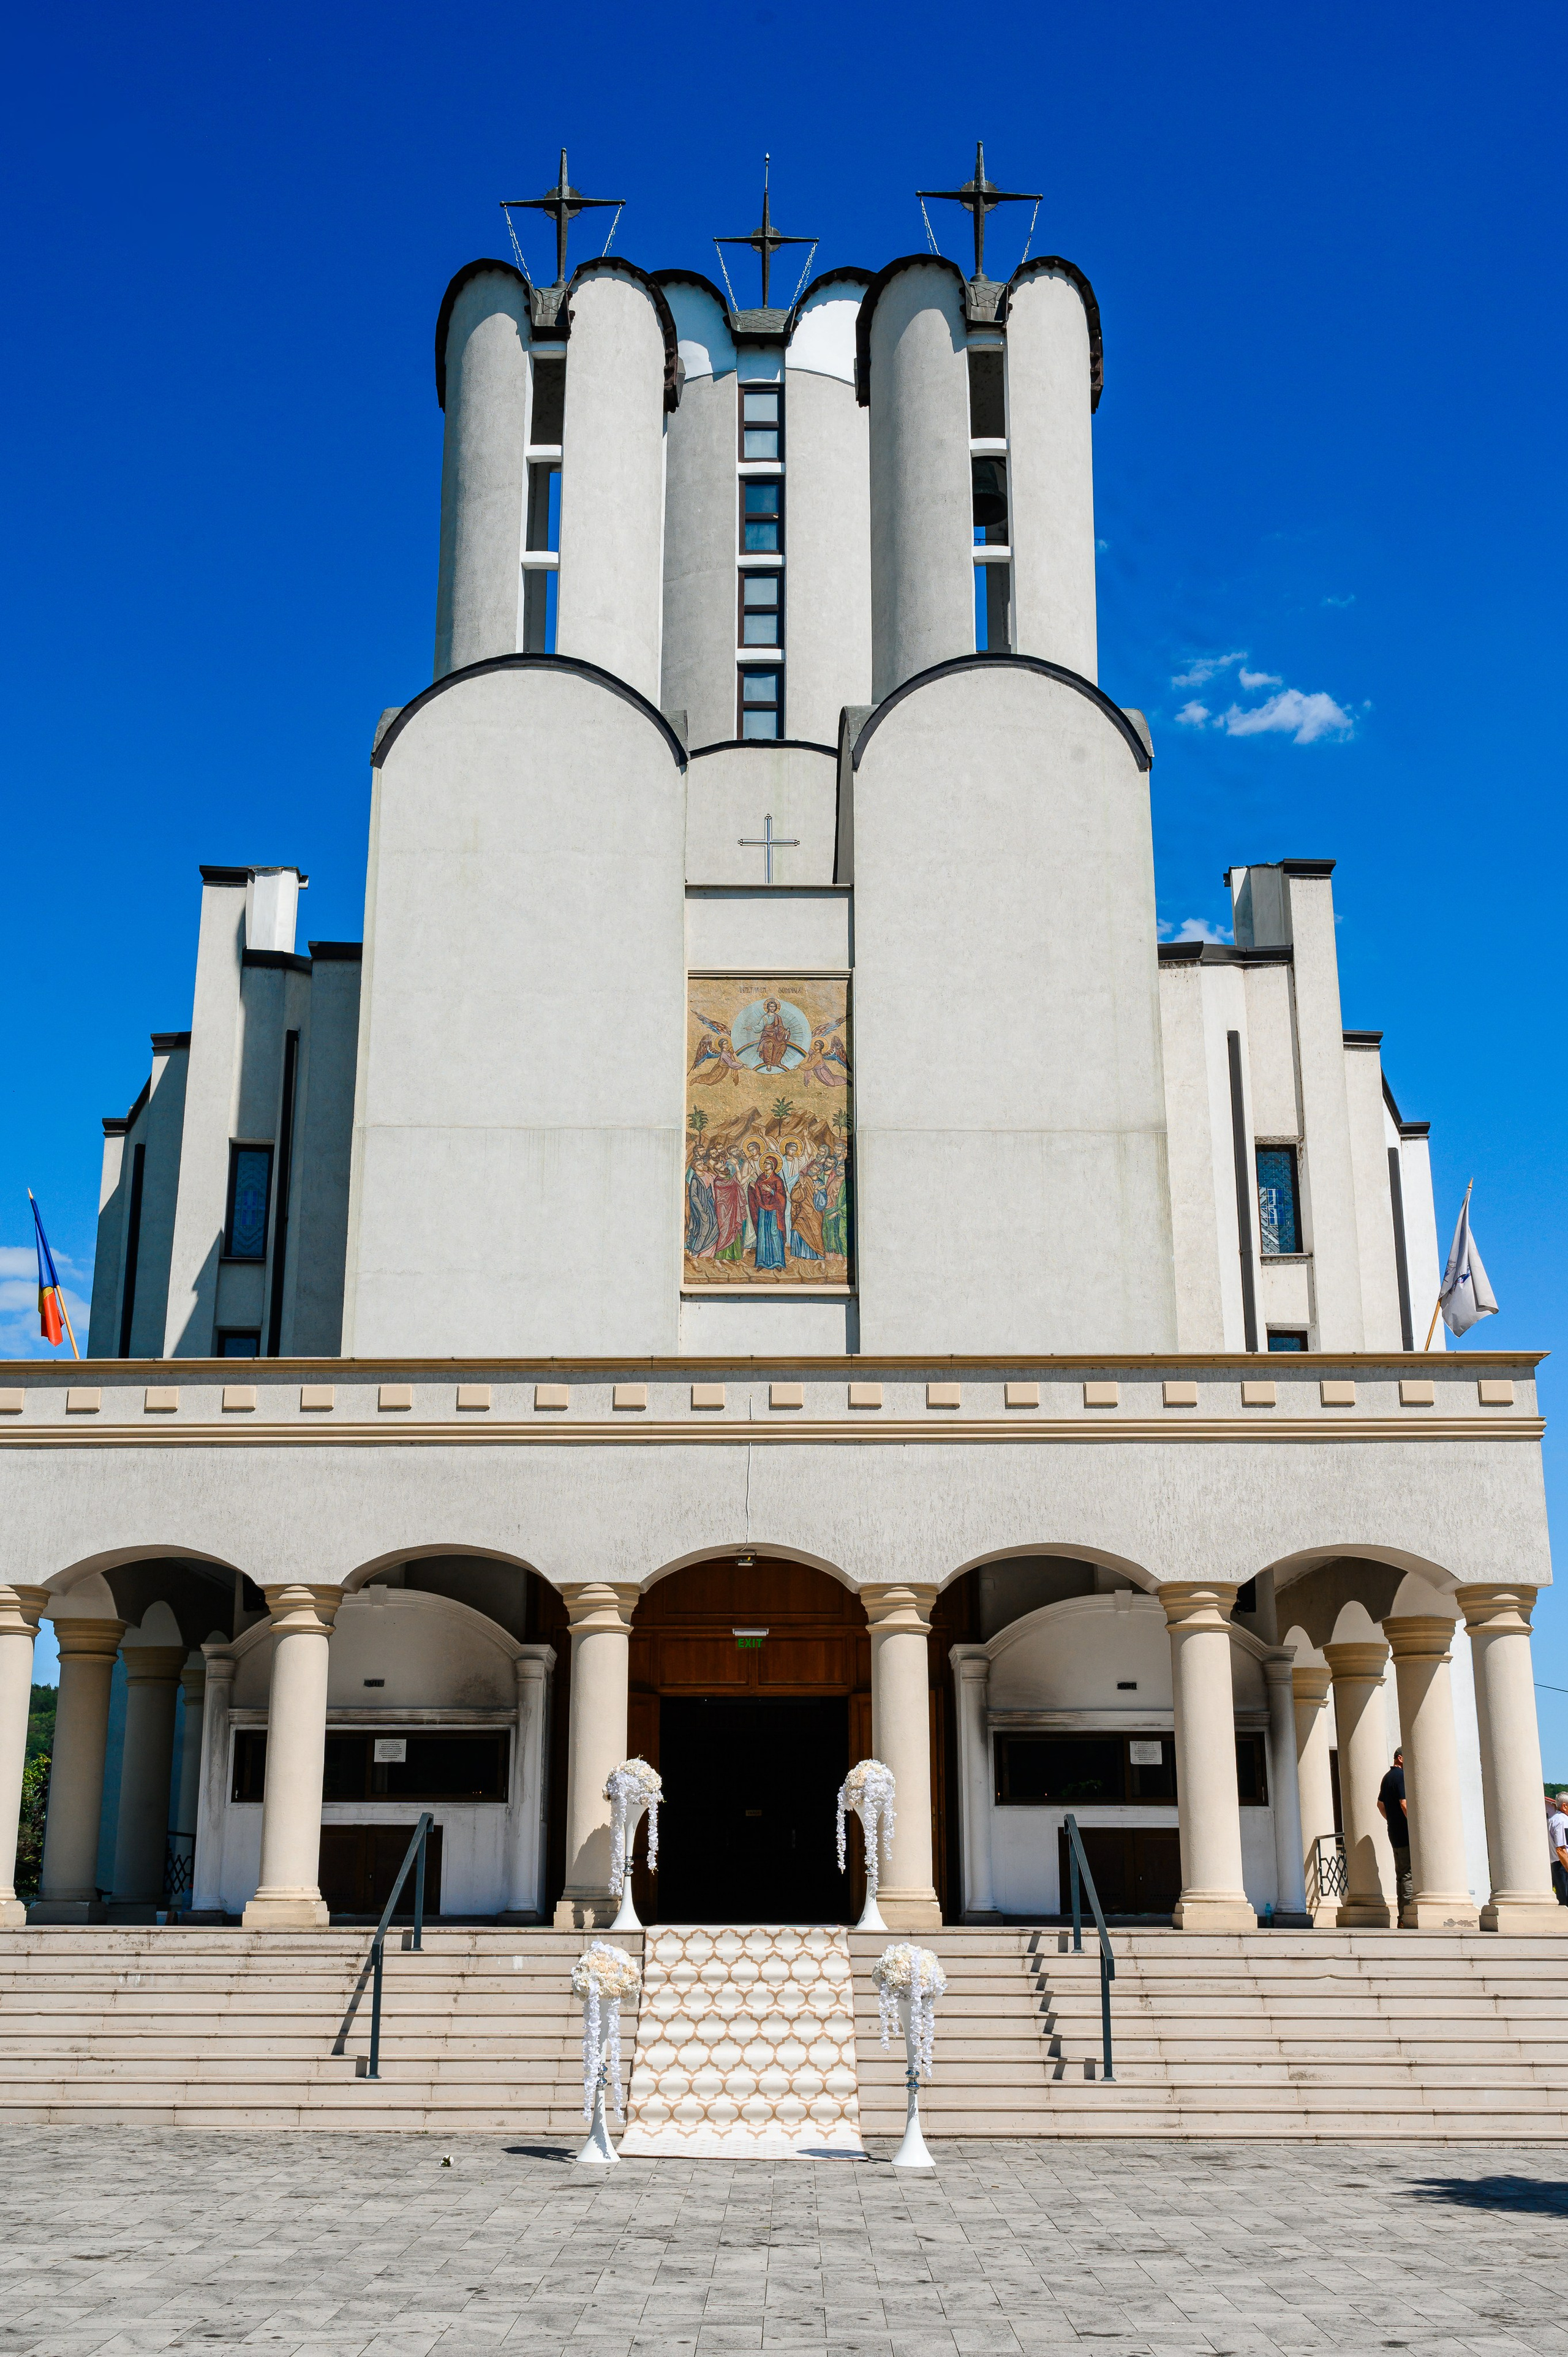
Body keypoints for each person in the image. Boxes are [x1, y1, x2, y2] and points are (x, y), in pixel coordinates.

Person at [1377, 1749, 1412, 1916]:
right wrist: (1413, 1825)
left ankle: (1402, 1917)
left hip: (1394, 1831)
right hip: (1405, 1833)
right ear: (1400, 1758)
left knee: (1401, 1875)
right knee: (1409, 1875)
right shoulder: (1401, 1777)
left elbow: (1380, 1805)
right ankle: (1407, 1915)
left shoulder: (1387, 1777)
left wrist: (1391, 1820)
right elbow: (1404, 1804)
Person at [1547, 1791, 1568, 1906]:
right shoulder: (1562, 1821)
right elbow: (1561, 1849)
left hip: (1558, 1866)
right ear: (1564, 1806)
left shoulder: (1553, 1819)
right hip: (1563, 1866)